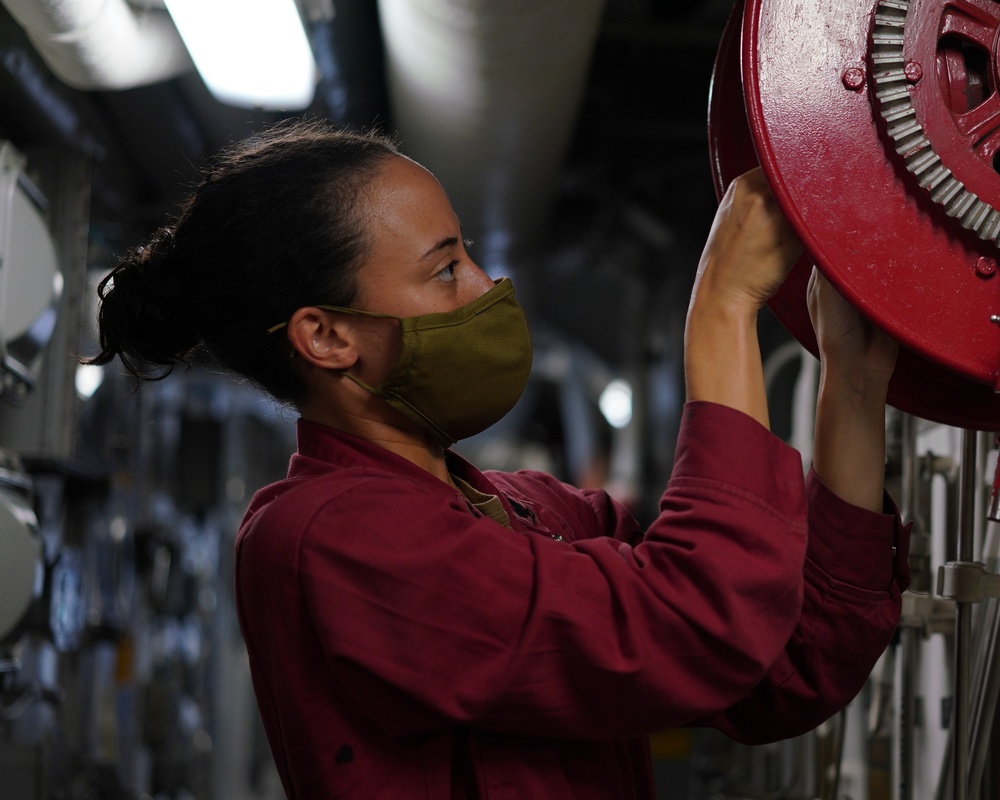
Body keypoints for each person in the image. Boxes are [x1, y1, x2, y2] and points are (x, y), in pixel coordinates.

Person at [90, 120, 910, 800]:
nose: (487, 286)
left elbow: (785, 665)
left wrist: (854, 381)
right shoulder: (326, 538)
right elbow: (698, 625)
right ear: (327, 336)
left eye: (470, 254)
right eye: (445, 269)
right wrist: (723, 311)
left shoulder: (538, 516)